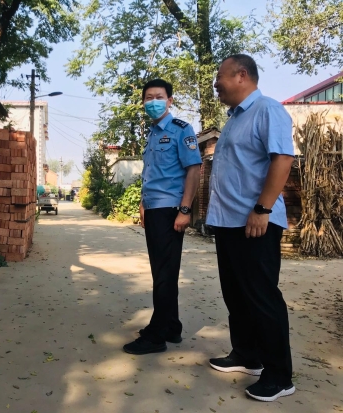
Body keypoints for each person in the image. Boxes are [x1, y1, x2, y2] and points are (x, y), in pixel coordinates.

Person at [206, 54, 295, 402]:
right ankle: (247, 355)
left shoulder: (267, 109)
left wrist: (262, 208)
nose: (216, 84)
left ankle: (279, 376)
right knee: (236, 294)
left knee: (261, 296)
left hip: (255, 221)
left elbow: (282, 159)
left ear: (241, 75)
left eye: (220, 77)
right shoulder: (234, 119)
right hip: (228, 222)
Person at [123, 79, 202, 355]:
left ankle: (156, 335)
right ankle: (171, 326)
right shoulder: (153, 133)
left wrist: (185, 209)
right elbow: (152, 174)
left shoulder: (181, 130)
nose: (153, 101)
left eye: (158, 96)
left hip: (170, 210)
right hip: (154, 209)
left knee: (165, 273)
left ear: (170, 100)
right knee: (162, 270)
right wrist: (143, 204)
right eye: (148, 97)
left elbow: (194, 169)